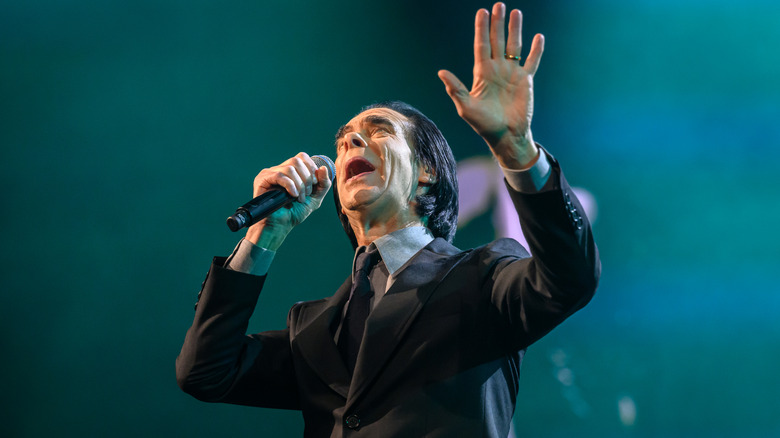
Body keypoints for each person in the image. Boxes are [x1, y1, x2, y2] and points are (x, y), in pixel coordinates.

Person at [176, 3, 600, 437]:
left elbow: (569, 279)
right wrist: (264, 234)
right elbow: (205, 372)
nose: (352, 142)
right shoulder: (314, 328)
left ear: (426, 171)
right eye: (343, 142)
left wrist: (517, 150)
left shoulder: (482, 278)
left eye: (378, 130)